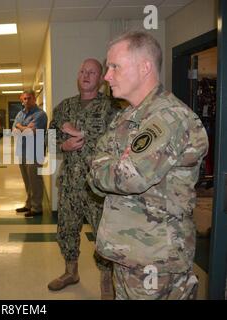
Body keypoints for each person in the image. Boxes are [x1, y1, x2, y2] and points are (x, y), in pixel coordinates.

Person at [87, 31, 209, 299]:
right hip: (129, 252)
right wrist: (107, 165)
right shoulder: (127, 116)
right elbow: (98, 166)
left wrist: (107, 165)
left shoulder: (167, 118)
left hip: (156, 259)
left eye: (115, 66)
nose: (107, 76)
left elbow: (128, 177)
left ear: (144, 68)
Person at [47, 59, 118, 298]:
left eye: (92, 72)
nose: (86, 75)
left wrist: (82, 134)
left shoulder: (111, 108)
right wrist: (62, 145)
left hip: (97, 186)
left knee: (102, 234)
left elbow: (118, 143)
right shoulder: (64, 107)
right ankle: (71, 271)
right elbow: (49, 138)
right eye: (82, 71)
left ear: (100, 79)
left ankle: (106, 280)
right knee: (67, 229)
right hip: (69, 184)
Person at [12, 89, 47, 217]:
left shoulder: (40, 114)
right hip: (22, 151)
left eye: (29, 98)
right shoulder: (20, 114)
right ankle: (28, 204)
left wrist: (20, 127)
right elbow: (13, 130)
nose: (26, 101)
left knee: (35, 180)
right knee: (27, 180)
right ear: (22, 100)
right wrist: (24, 128)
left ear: (34, 99)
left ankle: (37, 208)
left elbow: (30, 132)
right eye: (24, 99)